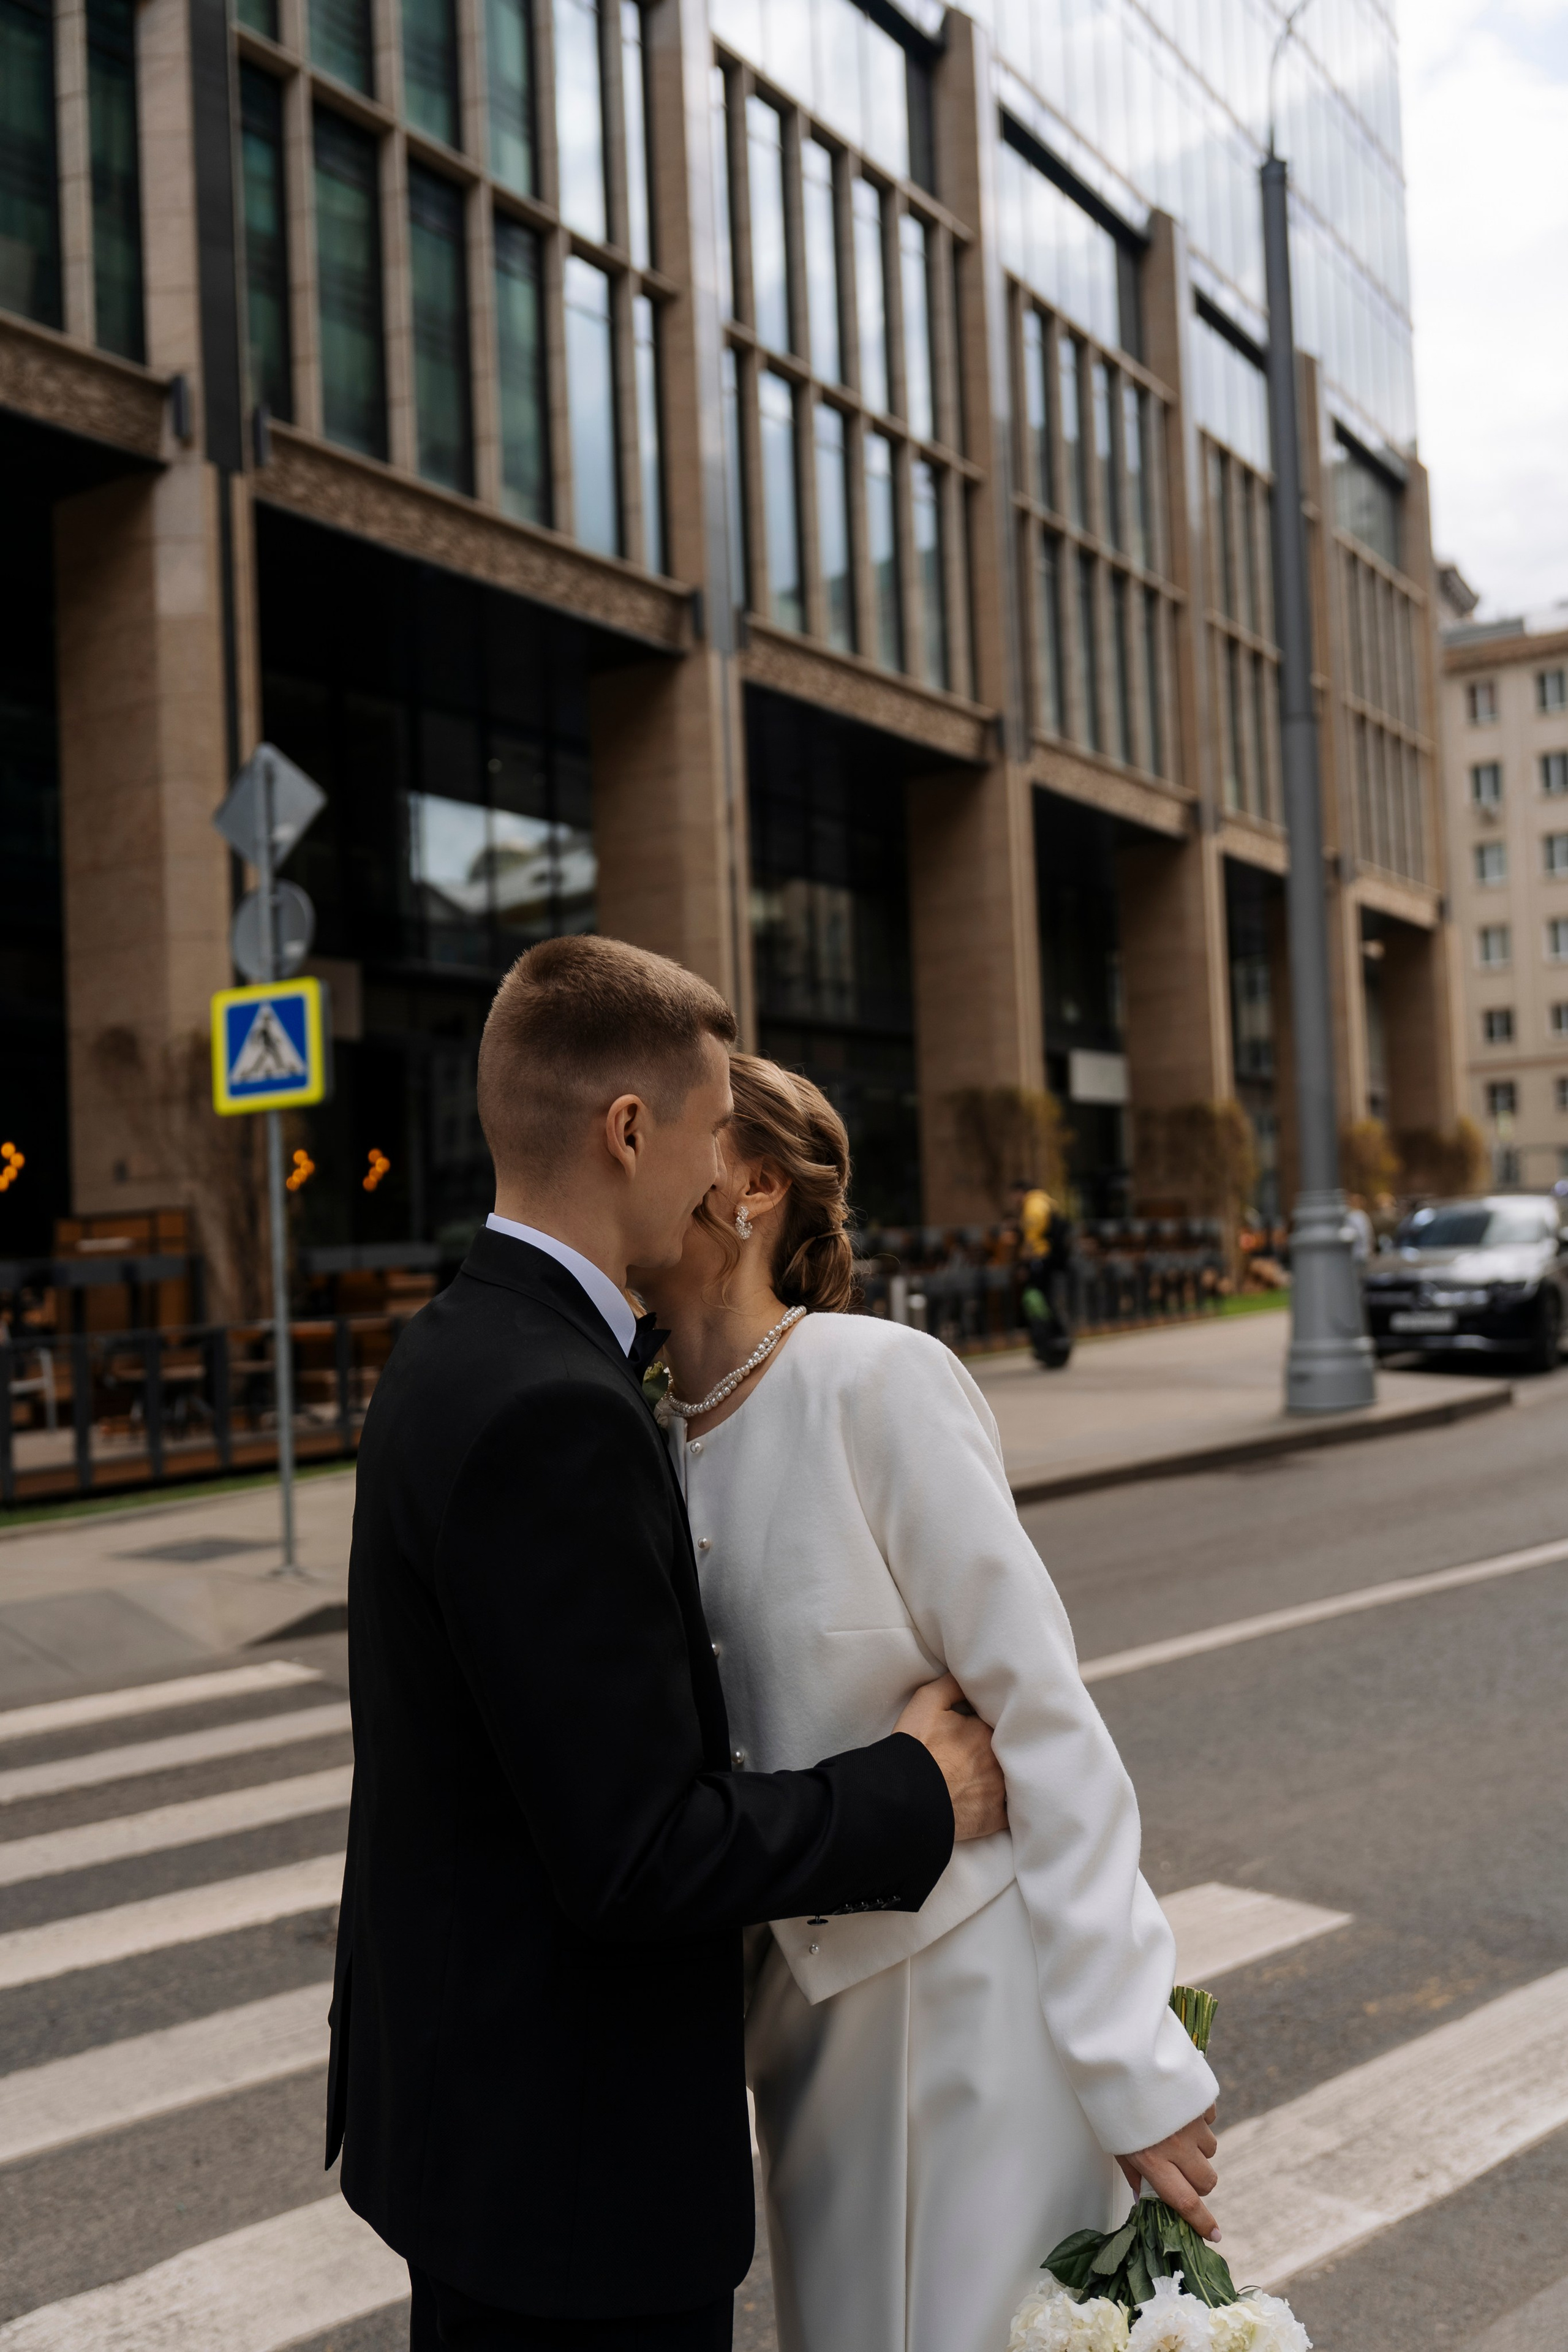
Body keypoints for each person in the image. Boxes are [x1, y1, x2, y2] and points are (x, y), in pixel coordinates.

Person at [326, 938, 1007, 2351]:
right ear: (628, 1131)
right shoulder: (551, 1413)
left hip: (475, 2127)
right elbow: (635, 1853)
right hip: (569, 2185)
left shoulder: (455, 1346)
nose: (716, 1176)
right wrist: (914, 1790)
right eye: (706, 1132)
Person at [635, 1057, 1221, 2352]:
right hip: (798, 2041)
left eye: (680, 1126)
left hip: (968, 2007)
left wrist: (1130, 2059)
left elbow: (1045, 1718)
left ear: (752, 1188)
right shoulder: (649, 1437)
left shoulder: (875, 1380)